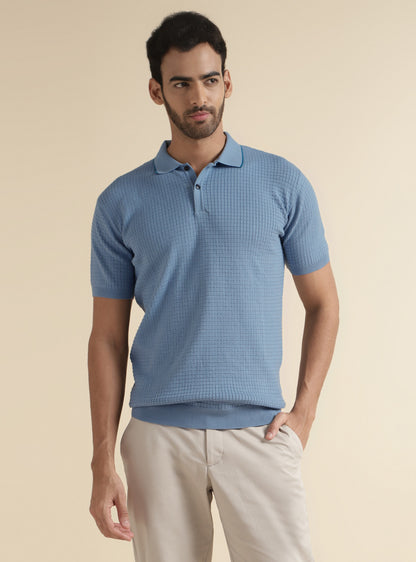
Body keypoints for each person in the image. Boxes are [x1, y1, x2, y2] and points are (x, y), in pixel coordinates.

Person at [88, 10, 339, 562]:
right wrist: (102, 460)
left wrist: (304, 413)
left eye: (208, 79)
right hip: (157, 436)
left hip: (260, 432)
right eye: (180, 83)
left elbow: (323, 303)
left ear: (227, 81)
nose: (198, 96)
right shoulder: (120, 201)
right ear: (157, 91)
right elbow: (106, 336)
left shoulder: (282, 183)